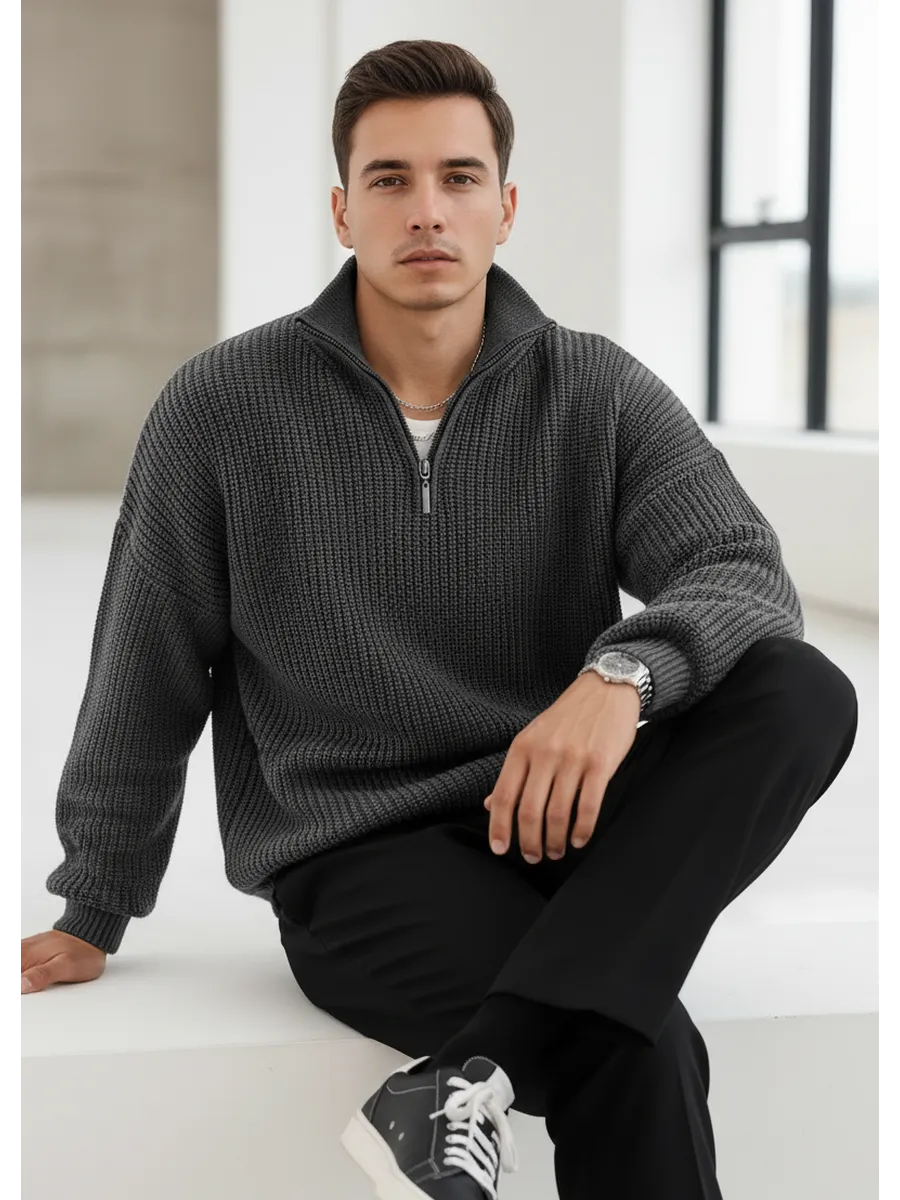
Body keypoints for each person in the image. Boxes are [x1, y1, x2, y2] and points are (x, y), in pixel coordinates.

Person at [19, 37, 858, 1200]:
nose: (428, 210)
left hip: (559, 816)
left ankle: (476, 1070)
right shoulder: (223, 408)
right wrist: (96, 901)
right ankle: (504, 1052)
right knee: (636, 1042)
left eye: (460, 177)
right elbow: (147, 659)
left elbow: (742, 570)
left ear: (505, 208)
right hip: (360, 858)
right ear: (342, 210)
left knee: (801, 688)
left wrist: (621, 680)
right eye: (391, 179)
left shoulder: (595, 391)